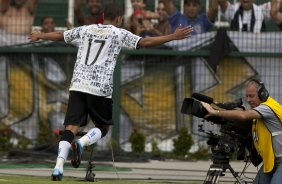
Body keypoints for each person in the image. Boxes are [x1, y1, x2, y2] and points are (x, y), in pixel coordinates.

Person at [28, 3, 193, 181]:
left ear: (103, 15)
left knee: (70, 128)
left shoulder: (86, 29)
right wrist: (173, 36)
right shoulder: (119, 33)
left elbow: (61, 35)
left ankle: (58, 168)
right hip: (99, 87)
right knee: (103, 126)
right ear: (119, 19)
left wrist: (40, 35)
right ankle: (82, 144)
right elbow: (144, 42)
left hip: (78, 85)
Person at [200, 79, 282, 184]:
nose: (248, 99)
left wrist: (215, 112)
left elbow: (243, 115)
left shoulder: (268, 108)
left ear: (263, 94)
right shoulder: (259, 112)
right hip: (271, 161)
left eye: (251, 96)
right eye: (247, 96)